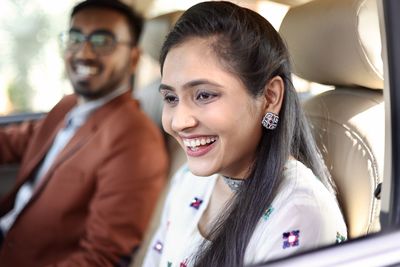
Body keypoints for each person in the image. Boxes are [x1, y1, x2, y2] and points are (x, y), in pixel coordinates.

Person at [142, 1, 347, 266]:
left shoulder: (301, 214)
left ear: (270, 97)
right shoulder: (187, 179)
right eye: (170, 98)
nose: (179, 122)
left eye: (204, 95)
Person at [0, 0, 169, 266]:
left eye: (103, 41)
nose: (84, 53)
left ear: (133, 58)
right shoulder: (69, 105)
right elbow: (15, 140)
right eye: (75, 38)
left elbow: (101, 256)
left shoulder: (135, 140)